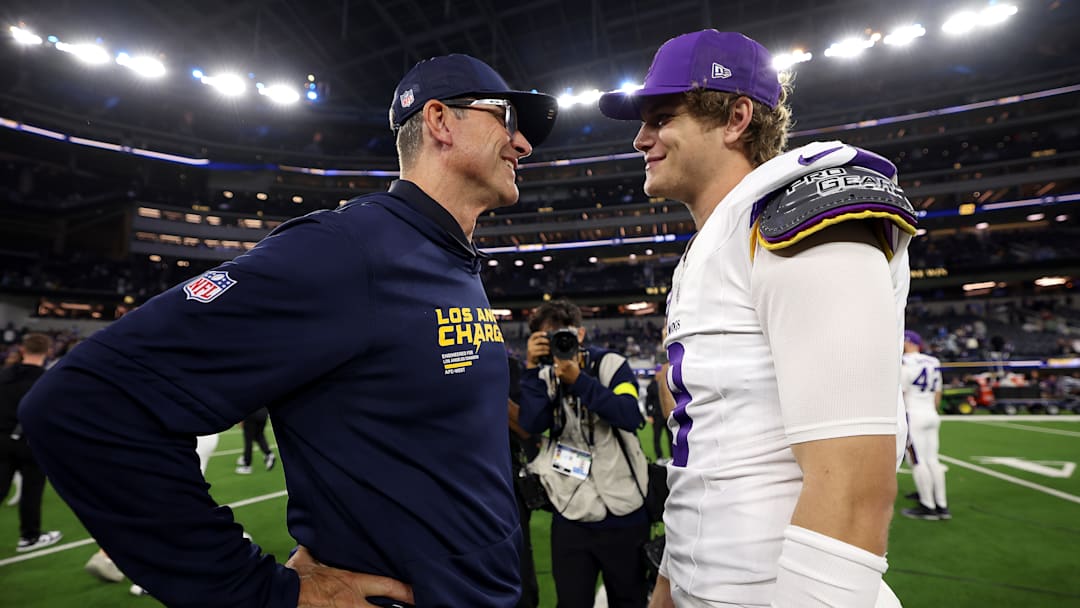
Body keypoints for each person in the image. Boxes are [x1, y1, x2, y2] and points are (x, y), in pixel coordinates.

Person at [19, 53, 558, 608]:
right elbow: (82, 403)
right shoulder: (348, 250)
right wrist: (259, 593)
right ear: (442, 121)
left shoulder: (449, 256)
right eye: (508, 120)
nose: (524, 145)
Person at [597, 30, 917, 607]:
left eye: (662, 117)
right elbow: (706, 452)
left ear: (737, 117)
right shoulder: (715, 245)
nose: (642, 138)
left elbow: (853, 488)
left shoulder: (802, 217)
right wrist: (670, 585)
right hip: (710, 581)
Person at [518, 298, 650, 608]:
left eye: (562, 336)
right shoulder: (542, 376)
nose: (558, 345)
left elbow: (630, 416)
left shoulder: (610, 364)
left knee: (629, 600)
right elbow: (532, 424)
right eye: (547, 340)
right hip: (571, 511)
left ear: (579, 334)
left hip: (625, 508)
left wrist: (579, 381)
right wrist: (530, 370)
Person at [0, 333, 62, 552]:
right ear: (48, 352)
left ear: (23, 350)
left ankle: (31, 536)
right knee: (31, 492)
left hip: (2, 440)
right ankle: (30, 537)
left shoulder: (4, 375)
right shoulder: (48, 379)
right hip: (31, 444)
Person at [899, 330, 949, 521]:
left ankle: (928, 506)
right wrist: (932, 410)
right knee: (933, 460)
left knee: (918, 462)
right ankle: (941, 504)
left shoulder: (904, 362)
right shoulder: (933, 361)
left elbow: (902, 393)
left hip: (914, 414)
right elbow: (938, 393)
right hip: (930, 414)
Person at [235, 407, 275, 474]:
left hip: (252, 414)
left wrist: (241, 419)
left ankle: (247, 466)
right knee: (259, 435)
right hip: (264, 413)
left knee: (248, 440)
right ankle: (269, 454)